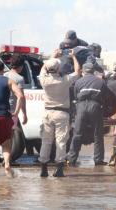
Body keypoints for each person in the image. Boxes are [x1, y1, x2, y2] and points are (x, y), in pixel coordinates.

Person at [38, 50, 81, 178]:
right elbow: (78, 71)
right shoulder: (65, 80)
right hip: (61, 113)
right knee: (61, 142)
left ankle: (44, 168)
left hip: (47, 112)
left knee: (46, 141)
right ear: (58, 69)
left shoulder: (44, 80)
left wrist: (52, 56)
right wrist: (74, 56)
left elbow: (44, 68)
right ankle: (59, 169)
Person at [67, 62, 108, 166]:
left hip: (81, 107)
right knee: (98, 134)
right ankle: (98, 160)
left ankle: (71, 159)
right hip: (95, 106)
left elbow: (76, 96)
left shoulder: (78, 82)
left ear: (83, 71)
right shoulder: (101, 82)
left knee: (77, 134)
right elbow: (104, 97)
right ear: (93, 71)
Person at [0, 55, 26, 161]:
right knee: (9, 135)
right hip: (11, 111)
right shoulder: (19, 78)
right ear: (20, 66)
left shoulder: (4, 75)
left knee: (1, 133)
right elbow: (21, 97)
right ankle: (7, 160)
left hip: (0, 109)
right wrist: (23, 113)